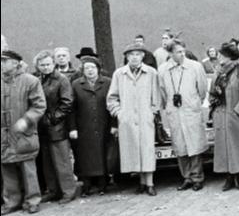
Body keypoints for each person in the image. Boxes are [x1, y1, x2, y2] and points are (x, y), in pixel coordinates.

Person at [107, 42, 160, 196]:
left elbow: (156, 96)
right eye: (131, 55)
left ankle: (150, 183)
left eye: (138, 54)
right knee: (134, 150)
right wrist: (119, 113)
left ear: (143, 56)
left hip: (145, 117)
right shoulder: (119, 74)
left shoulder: (151, 73)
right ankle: (141, 182)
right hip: (128, 119)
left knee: (147, 149)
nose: (135, 57)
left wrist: (152, 112)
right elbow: (112, 98)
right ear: (127, 57)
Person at [158, 39, 209, 192]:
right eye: (178, 52)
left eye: (183, 51)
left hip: (191, 110)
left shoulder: (195, 67)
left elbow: (202, 89)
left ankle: (197, 177)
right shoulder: (163, 70)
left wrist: (193, 102)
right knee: (180, 146)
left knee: (194, 145)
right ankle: (186, 177)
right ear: (170, 53)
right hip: (174, 112)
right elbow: (162, 92)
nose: (181, 54)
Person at [1, 50, 46, 215]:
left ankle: (33, 200)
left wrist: (26, 120)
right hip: (3, 134)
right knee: (7, 168)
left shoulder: (30, 81)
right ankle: (11, 201)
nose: (1, 64)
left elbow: (39, 106)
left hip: (24, 133)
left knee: (28, 168)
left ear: (15, 63)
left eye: (4, 61)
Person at [209, 42, 239, 191]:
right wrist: (213, 103)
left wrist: (236, 112)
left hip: (236, 116)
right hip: (221, 116)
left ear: (229, 57)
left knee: (238, 147)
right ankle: (229, 177)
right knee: (224, 148)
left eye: (222, 54)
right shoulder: (218, 72)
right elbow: (211, 93)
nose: (219, 56)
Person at [33, 50, 78, 205]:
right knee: (47, 162)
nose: (45, 67)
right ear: (38, 66)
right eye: (42, 65)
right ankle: (53, 191)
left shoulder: (61, 80)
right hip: (41, 127)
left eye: (48, 64)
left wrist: (51, 119)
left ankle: (68, 191)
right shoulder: (37, 80)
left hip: (57, 126)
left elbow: (67, 103)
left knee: (62, 161)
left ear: (53, 64)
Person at [68, 58, 115, 196]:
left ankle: (103, 185)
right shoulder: (76, 84)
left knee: (102, 154)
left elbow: (113, 103)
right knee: (85, 156)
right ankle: (87, 185)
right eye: (86, 68)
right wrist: (73, 128)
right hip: (84, 126)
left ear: (98, 69)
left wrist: (114, 125)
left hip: (103, 124)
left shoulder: (107, 82)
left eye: (92, 67)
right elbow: (72, 108)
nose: (90, 70)